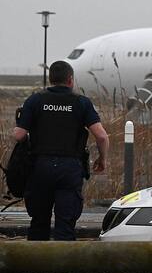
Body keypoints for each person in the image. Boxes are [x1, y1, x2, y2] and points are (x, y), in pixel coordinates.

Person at [13, 61, 109, 241]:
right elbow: (102, 136)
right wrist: (102, 159)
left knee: (39, 222)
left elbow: (19, 135)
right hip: (69, 168)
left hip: (40, 167)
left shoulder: (35, 100)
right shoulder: (81, 102)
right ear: (70, 80)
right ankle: (62, 268)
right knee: (65, 224)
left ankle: (36, 267)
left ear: (51, 79)